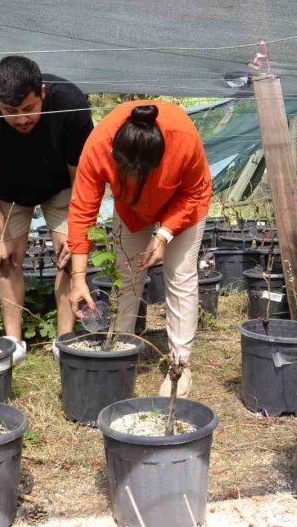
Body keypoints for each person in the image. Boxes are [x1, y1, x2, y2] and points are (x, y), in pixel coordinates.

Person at [67, 101, 212, 396]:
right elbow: (83, 209)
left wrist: (163, 235)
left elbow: (194, 192)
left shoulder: (182, 136)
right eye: (126, 172)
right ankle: (122, 347)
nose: (133, 179)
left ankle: (179, 366)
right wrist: (78, 277)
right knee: (126, 274)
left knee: (180, 275)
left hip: (182, 206)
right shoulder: (97, 146)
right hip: (130, 211)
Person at [0, 56, 93, 364]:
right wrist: (1, 234)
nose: (21, 119)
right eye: (11, 113)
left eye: (28, 109)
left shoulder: (71, 102)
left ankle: (63, 340)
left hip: (63, 186)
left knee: (69, 254)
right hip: (8, 190)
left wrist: (76, 233)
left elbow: (82, 177)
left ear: (42, 93)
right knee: (7, 258)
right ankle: (14, 342)